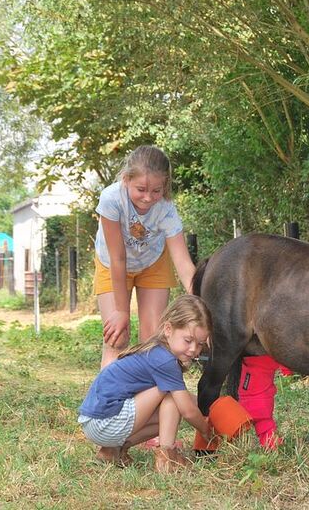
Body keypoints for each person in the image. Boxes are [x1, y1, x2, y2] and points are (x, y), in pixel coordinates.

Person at [77, 294, 216, 473]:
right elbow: (188, 411)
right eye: (188, 341)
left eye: (200, 344)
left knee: (169, 415)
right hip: (105, 423)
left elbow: (188, 403)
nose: (194, 350)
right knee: (173, 400)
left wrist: (210, 407)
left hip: (94, 423)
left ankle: (113, 451)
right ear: (168, 329)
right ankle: (167, 460)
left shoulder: (157, 350)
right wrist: (207, 432)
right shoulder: (165, 361)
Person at [94, 145, 197, 368]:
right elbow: (118, 257)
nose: (148, 198)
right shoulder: (111, 200)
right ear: (126, 179)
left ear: (165, 186)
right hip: (112, 263)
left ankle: (148, 401)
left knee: (153, 342)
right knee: (117, 337)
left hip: (153, 263)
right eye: (140, 189)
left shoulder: (166, 208)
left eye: (157, 191)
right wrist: (122, 311)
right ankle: (108, 401)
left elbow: (183, 262)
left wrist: (201, 304)